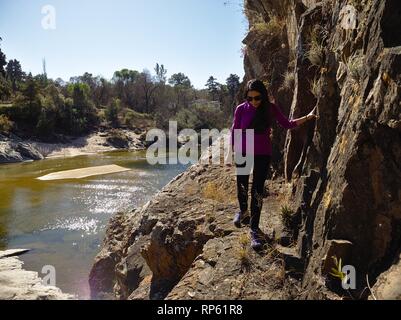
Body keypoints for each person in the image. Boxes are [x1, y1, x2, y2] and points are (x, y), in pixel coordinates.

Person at [226, 79, 318, 250]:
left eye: (257, 98)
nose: (254, 101)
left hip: (262, 153)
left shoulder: (270, 108)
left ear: (264, 96)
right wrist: (232, 152)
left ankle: (254, 230)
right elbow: (235, 130)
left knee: (258, 190)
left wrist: (308, 117)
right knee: (242, 185)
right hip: (243, 151)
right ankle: (243, 211)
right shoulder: (241, 109)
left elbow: (287, 124)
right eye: (250, 98)